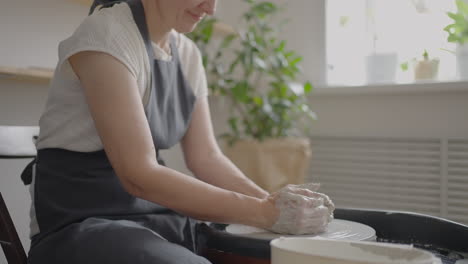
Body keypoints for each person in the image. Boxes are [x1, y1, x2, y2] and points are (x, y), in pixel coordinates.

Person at [23, 0, 335, 263]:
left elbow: (207, 157)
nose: (211, 9)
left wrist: (275, 205)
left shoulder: (187, 54)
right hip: (81, 227)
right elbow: (138, 174)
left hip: (155, 222)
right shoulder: (107, 36)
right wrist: (263, 213)